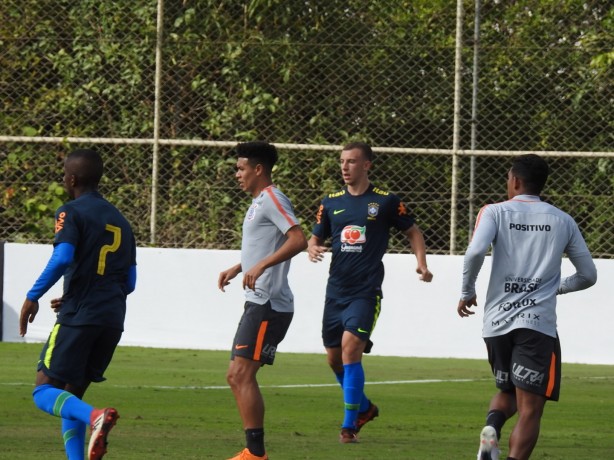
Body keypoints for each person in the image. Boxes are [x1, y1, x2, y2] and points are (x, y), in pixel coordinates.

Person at [457, 154, 597, 460]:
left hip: (496, 324)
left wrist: (467, 291)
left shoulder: (494, 212)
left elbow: (475, 252)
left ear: (516, 181)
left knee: (509, 391)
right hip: (537, 326)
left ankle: (491, 429)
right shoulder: (563, 220)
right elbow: (588, 275)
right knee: (531, 408)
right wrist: (556, 287)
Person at [307, 141, 433, 443]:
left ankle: (349, 426)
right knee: (334, 359)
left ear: (367, 165)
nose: (345, 167)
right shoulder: (330, 202)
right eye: (341, 161)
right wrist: (312, 247)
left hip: (366, 291)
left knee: (351, 349)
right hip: (335, 291)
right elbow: (314, 237)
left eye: (351, 162)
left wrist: (422, 264)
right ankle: (363, 408)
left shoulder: (386, 201)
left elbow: (413, 231)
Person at [19, 148, 137, 460]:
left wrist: (33, 296)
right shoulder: (123, 223)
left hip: (79, 315)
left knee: (43, 391)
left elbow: (63, 257)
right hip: (112, 319)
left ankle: (97, 417)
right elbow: (129, 283)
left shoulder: (70, 211)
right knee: (71, 395)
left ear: (71, 178)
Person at [218, 141, 308, 460]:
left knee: (241, 374)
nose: (236, 174)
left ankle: (255, 454)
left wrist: (260, 266)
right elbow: (265, 246)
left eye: (241, 168)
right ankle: (253, 452)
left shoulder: (272, 198)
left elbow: (298, 239)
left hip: (268, 304)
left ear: (259, 170)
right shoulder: (258, 202)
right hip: (258, 301)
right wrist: (239, 266)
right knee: (235, 375)